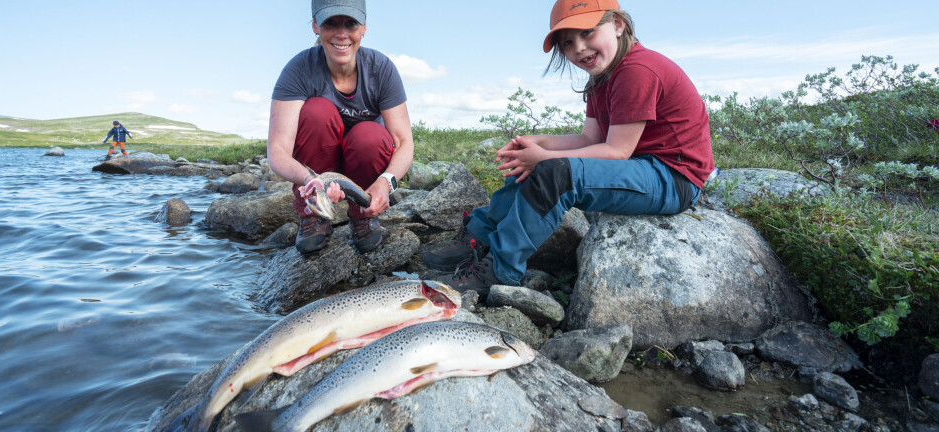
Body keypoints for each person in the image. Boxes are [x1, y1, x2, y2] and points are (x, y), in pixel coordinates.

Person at [425, 0, 715, 295]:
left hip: (673, 178)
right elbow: (590, 139)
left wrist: (544, 158)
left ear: (618, 25)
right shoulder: (601, 77)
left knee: (554, 173)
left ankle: (499, 271)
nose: (578, 47)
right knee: (530, 161)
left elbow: (617, 151)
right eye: (567, 42)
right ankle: (478, 237)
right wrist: (538, 143)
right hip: (640, 167)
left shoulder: (637, 70)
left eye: (587, 32)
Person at [267, 0, 413, 254]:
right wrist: (310, 181)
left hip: (363, 165)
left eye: (351, 24)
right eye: (331, 23)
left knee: (370, 135)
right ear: (315, 26)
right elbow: (278, 149)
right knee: (317, 112)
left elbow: (403, 142)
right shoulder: (298, 70)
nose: (342, 34)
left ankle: (363, 214)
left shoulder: (381, 69)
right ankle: (314, 214)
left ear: (364, 28)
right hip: (319, 172)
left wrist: (385, 183)